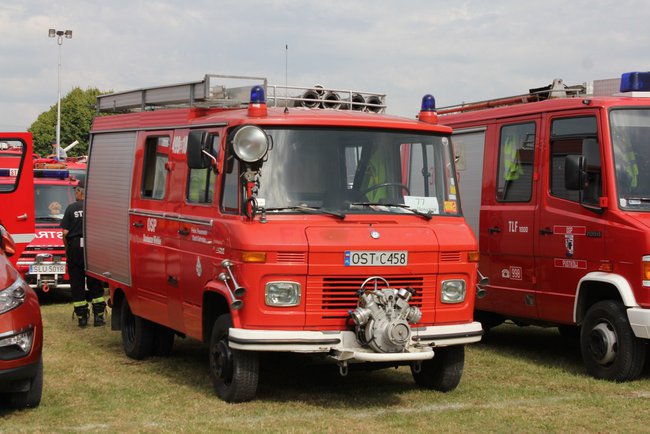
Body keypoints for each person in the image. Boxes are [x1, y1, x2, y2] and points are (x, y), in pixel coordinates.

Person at [61, 180, 106, 327]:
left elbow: (65, 232)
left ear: (80, 192)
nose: (75, 194)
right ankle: (99, 317)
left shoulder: (71, 208)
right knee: (95, 281)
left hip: (75, 247)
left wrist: (68, 249)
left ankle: (82, 318)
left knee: (77, 282)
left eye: (76, 191)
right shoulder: (95, 208)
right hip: (92, 246)